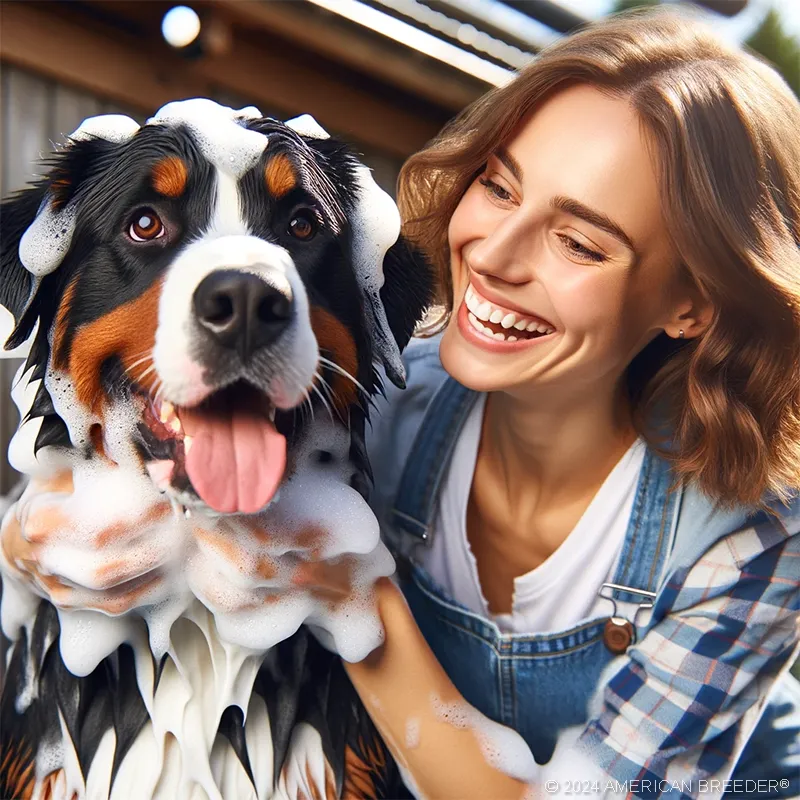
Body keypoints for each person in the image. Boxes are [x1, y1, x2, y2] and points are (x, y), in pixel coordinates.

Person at [2, 7, 799, 799]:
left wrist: (347, 585)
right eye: (499, 185)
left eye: (579, 242)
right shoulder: (373, 402)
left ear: (693, 305)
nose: (493, 254)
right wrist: (24, 542)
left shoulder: (755, 530)